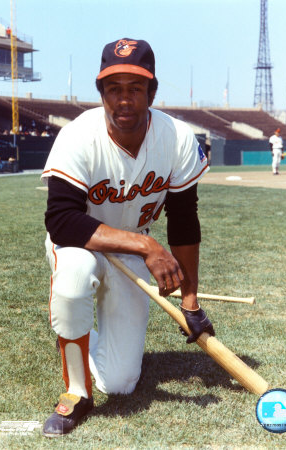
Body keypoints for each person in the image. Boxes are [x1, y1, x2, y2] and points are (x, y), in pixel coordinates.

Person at [41, 38, 215, 438]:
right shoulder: (77, 136)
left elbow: (184, 219)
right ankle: (76, 392)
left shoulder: (176, 137)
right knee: (73, 281)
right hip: (79, 241)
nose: (124, 100)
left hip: (133, 247)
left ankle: (74, 335)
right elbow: (61, 221)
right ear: (101, 93)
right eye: (114, 89)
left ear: (151, 93)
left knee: (120, 382)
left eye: (135, 89)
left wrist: (191, 299)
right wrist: (146, 246)